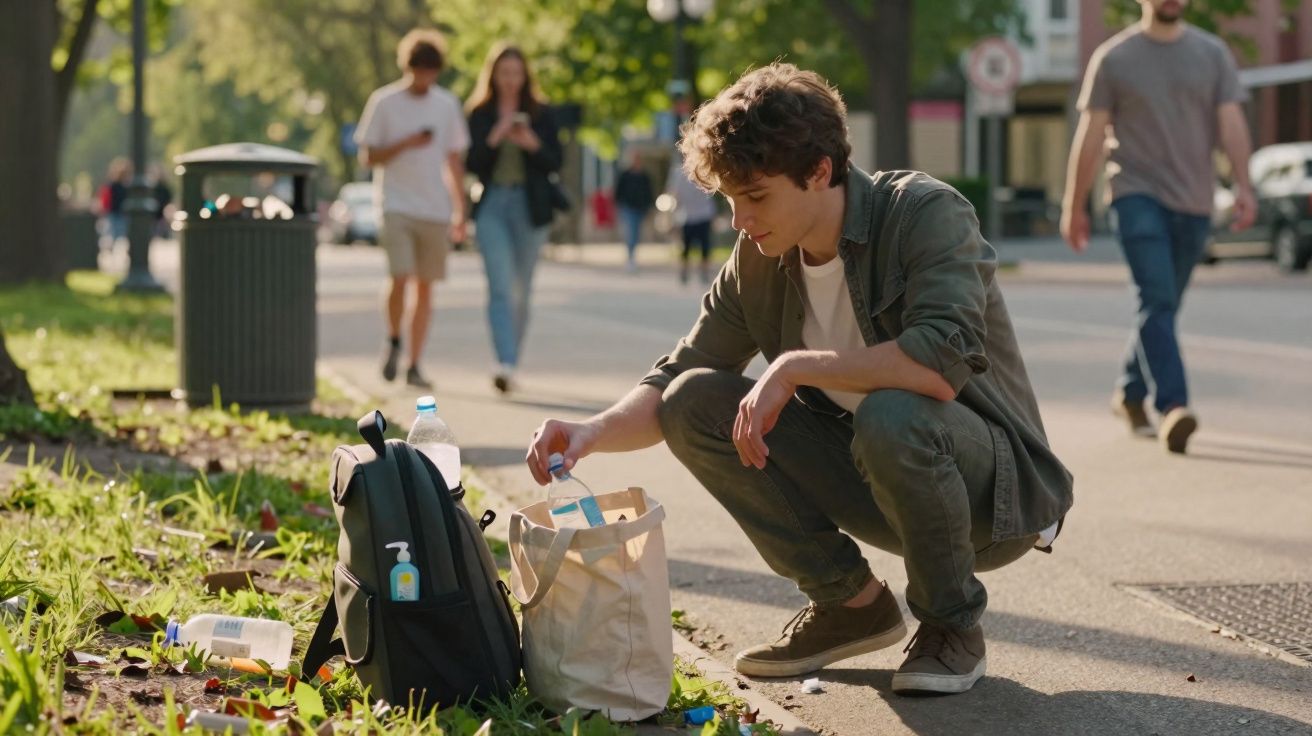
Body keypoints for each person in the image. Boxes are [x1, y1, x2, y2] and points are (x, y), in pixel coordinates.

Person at [525, 64, 1073, 696]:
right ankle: (851, 605)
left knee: (893, 412)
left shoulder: (925, 215)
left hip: (994, 499)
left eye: (755, 196)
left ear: (819, 171)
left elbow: (936, 365)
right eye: (728, 199)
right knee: (693, 400)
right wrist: (589, 431)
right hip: (880, 476)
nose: (738, 220)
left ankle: (951, 626)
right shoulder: (759, 256)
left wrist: (793, 365)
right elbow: (681, 372)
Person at [1060, 0, 1254, 454]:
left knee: (1161, 305)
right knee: (1157, 299)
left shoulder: (1212, 54)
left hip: (1195, 201)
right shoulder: (1114, 57)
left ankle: (1129, 393)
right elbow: (1090, 132)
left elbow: (1232, 124)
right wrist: (1074, 204)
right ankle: (1173, 407)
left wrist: (1244, 185)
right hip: (1134, 195)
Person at [356, 27, 470, 389]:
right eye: (419, 69)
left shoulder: (447, 105)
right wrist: (408, 142)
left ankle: (415, 363)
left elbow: (453, 161)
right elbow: (368, 155)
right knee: (400, 276)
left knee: (425, 288)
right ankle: (392, 338)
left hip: (434, 209)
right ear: (408, 67)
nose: (425, 77)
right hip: (396, 205)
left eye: (431, 71)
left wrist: (460, 211)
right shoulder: (385, 102)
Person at [465, 44, 564, 395]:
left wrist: (531, 142)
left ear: (525, 76)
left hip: (530, 206)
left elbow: (556, 162)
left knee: (521, 291)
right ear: (493, 75)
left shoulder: (542, 113)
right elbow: (471, 163)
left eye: (516, 73)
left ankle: (512, 361)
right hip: (493, 204)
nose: (510, 80)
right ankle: (504, 362)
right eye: (503, 73)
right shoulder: (479, 113)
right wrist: (496, 134)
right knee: (500, 287)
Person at [665, 153, 717, 285]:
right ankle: (686, 270)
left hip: (701, 214)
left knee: (702, 246)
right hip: (688, 215)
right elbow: (675, 195)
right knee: (688, 247)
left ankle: (701, 271)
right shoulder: (679, 173)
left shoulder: (703, 169)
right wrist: (673, 215)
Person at [614, 151, 654, 273]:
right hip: (628, 208)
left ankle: (632, 256)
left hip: (640, 208)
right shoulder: (625, 175)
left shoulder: (644, 176)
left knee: (636, 234)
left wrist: (649, 207)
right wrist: (619, 204)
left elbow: (648, 192)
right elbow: (618, 191)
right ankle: (630, 258)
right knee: (631, 233)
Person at [97, 157, 131, 253]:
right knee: (115, 234)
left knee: (117, 234)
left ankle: (115, 250)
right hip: (115, 212)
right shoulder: (114, 185)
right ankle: (112, 250)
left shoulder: (121, 185)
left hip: (119, 212)